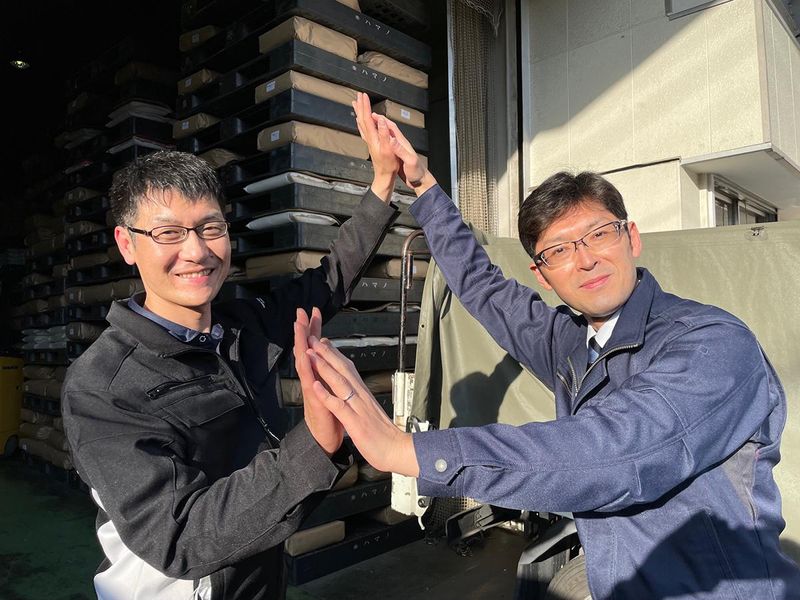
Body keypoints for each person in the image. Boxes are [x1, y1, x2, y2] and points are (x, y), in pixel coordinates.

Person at [293, 93, 800, 599]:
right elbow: (484, 288)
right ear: (543, 275)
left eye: (598, 234)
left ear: (632, 238)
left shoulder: (713, 344)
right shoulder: (572, 343)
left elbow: (615, 452)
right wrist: (423, 185)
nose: (585, 259)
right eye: (559, 250)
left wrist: (409, 451)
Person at [61, 149, 402, 599]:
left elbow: (328, 281)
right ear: (127, 244)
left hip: (260, 577)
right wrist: (315, 444)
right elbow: (179, 537)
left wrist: (382, 184)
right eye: (168, 233)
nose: (196, 251)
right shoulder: (103, 386)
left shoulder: (241, 326)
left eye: (210, 228)